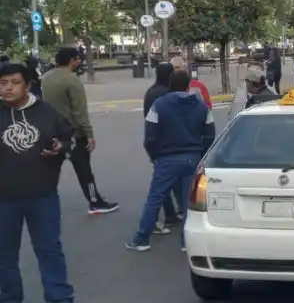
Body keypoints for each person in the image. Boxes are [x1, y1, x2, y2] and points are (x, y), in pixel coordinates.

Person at [0, 62, 77, 303]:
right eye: (3, 83)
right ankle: (9, 300)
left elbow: (69, 137)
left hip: (42, 195)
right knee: (4, 252)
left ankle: (61, 302)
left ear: (27, 85)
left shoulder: (46, 113)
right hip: (4, 198)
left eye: (14, 82)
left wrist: (61, 147)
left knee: (49, 250)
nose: (8, 88)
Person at [127, 70, 215, 251]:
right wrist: (201, 154)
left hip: (166, 159)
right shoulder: (200, 106)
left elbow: (150, 135)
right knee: (188, 203)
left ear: (169, 85)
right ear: (188, 85)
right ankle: (186, 242)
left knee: (155, 199)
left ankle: (142, 239)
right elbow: (210, 133)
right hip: (192, 158)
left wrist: (155, 155)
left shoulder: (159, 105)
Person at [41, 47, 118, 215]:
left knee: (51, 171)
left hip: (51, 132)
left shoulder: (45, 78)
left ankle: (45, 205)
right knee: (84, 170)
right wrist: (89, 134)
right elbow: (79, 111)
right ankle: (95, 202)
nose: (79, 62)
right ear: (71, 60)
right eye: (78, 59)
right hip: (72, 133)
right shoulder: (71, 80)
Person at [142, 63, 181, 231]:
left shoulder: (150, 92)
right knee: (175, 180)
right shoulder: (167, 94)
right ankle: (177, 212)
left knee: (162, 179)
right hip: (170, 141)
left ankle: (170, 213)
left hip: (155, 141)